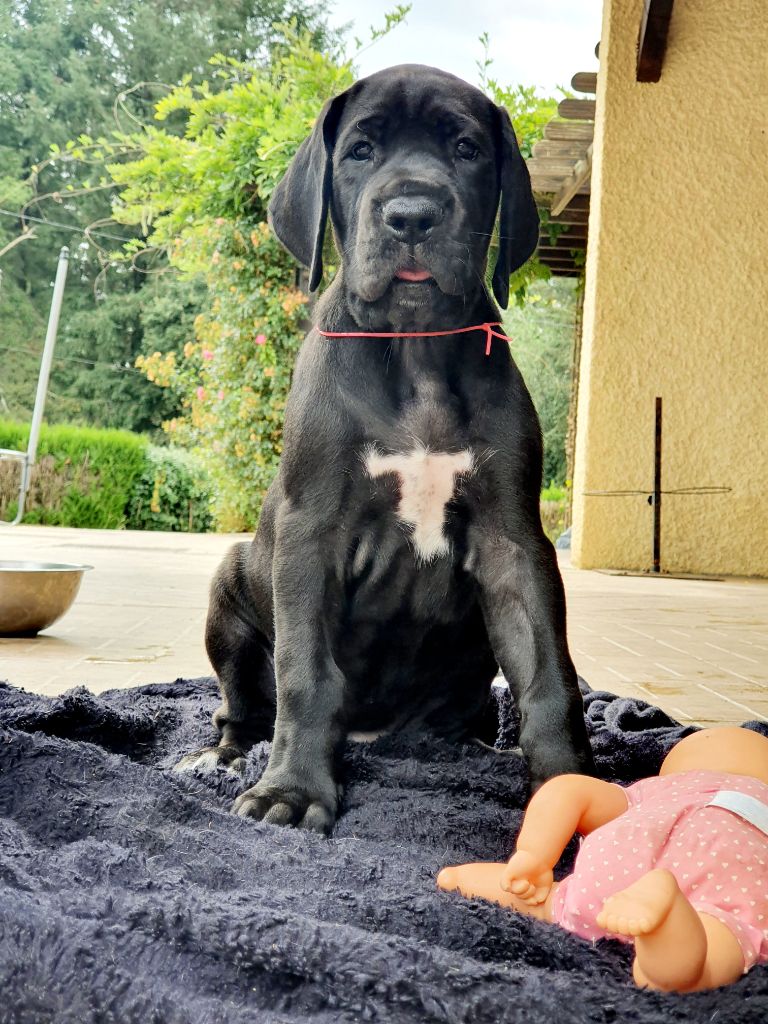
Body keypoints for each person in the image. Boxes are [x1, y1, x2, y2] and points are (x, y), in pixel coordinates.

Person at [437, 727, 768, 992]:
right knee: (714, 948)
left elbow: (568, 790)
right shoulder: (753, 797)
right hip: (728, 888)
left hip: (615, 866)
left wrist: (535, 853)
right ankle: (667, 931)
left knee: (552, 900)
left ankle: (462, 879)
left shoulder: (659, 791)